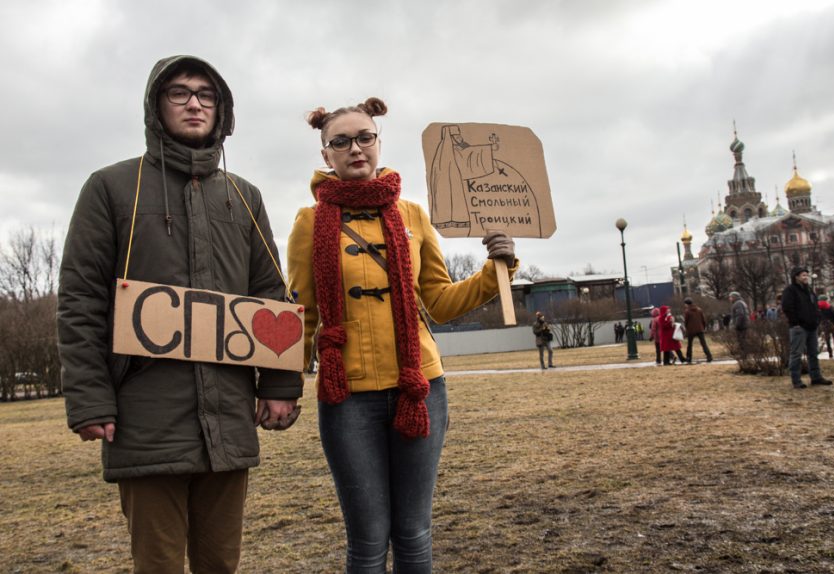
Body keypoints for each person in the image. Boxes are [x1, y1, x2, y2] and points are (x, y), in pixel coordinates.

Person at [57, 56, 303, 573]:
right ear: (155, 105)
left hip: (228, 418)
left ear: (222, 110)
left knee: (221, 563)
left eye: (207, 95)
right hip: (146, 419)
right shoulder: (110, 187)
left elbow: (270, 295)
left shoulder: (244, 196)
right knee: (159, 565)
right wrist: (89, 399)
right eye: (179, 93)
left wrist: (280, 385)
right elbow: (81, 301)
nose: (195, 103)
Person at [286, 97, 517, 573]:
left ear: (378, 142)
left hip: (421, 388)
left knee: (413, 534)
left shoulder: (412, 215)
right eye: (341, 141)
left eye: (365, 137)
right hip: (347, 397)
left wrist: (497, 271)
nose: (356, 149)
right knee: (368, 540)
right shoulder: (308, 224)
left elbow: (439, 300)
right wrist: (284, 386)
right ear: (325, 154)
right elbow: (303, 314)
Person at [781, 267, 832, 389]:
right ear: (796, 277)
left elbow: (814, 306)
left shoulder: (809, 290)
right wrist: (796, 322)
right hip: (799, 327)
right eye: (803, 275)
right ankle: (796, 380)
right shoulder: (790, 290)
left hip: (812, 326)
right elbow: (787, 307)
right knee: (796, 354)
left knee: (813, 353)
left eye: (806, 275)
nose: (806, 277)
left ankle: (816, 377)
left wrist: (817, 318)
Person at [683, 297, 713, 363]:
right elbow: (703, 320)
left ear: (686, 304)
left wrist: (686, 329)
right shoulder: (699, 310)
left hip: (691, 330)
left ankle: (689, 358)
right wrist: (703, 327)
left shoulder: (687, 311)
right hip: (700, 329)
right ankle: (709, 356)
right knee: (704, 344)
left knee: (689, 345)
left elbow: (686, 322)